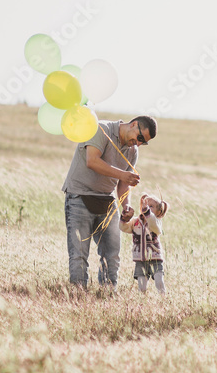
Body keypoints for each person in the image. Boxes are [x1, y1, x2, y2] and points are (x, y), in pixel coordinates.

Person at [60, 115, 156, 288]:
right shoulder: (100, 129)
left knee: (112, 254)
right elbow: (92, 160)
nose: (139, 143)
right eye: (140, 137)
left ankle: (108, 294)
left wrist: (126, 205)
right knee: (79, 254)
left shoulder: (133, 150)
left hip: (107, 200)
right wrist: (122, 175)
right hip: (79, 196)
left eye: (144, 142)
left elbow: (123, 184)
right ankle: (77, 295)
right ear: (133, 124)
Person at [120, 193, 169, 294]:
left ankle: (163, 297)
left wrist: (148, 213)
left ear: (159, 211)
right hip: (140, 258)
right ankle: (142, 299)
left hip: (155, 257)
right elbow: (124, 228)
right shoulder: (136, 222)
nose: (148, 208)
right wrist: (124, 219)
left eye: (151, 206)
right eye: (146, 205)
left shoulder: (157, 221)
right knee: (141, 285)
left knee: (159, 280)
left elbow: (155, 227)